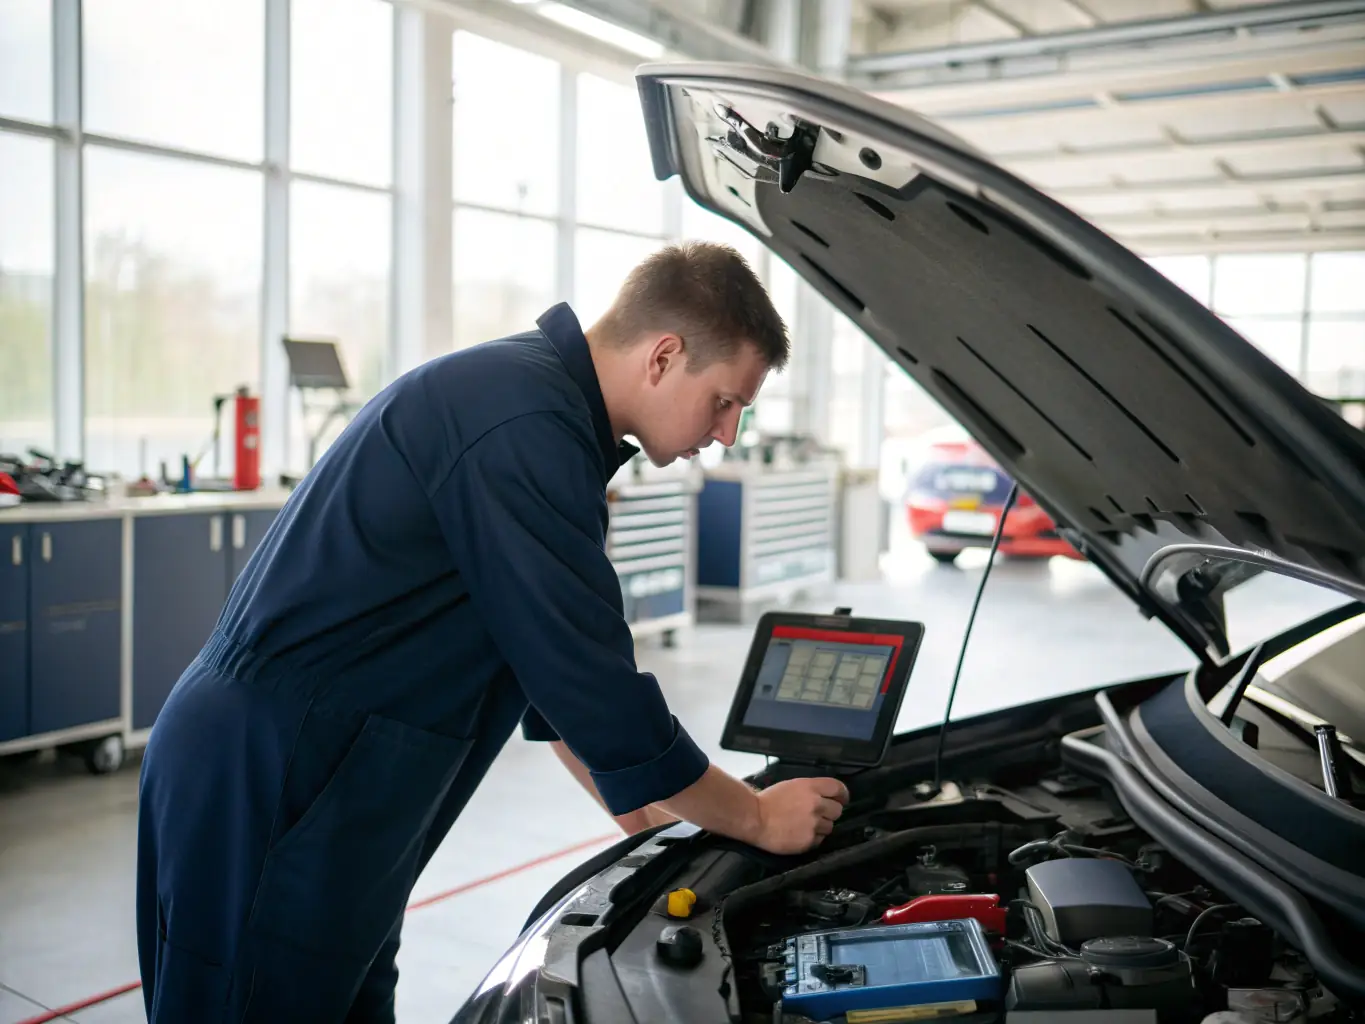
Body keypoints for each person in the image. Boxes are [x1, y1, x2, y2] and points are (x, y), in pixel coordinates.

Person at [135, 241, 850, 1022]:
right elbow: (595, 690)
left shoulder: (546, 423)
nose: (727, 432)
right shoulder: (519, 424)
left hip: (334, 791)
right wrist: (752, 817)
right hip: (276, 778)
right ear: (663, 356)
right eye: (723, 400)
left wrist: (656, 829)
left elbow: (550, 679)